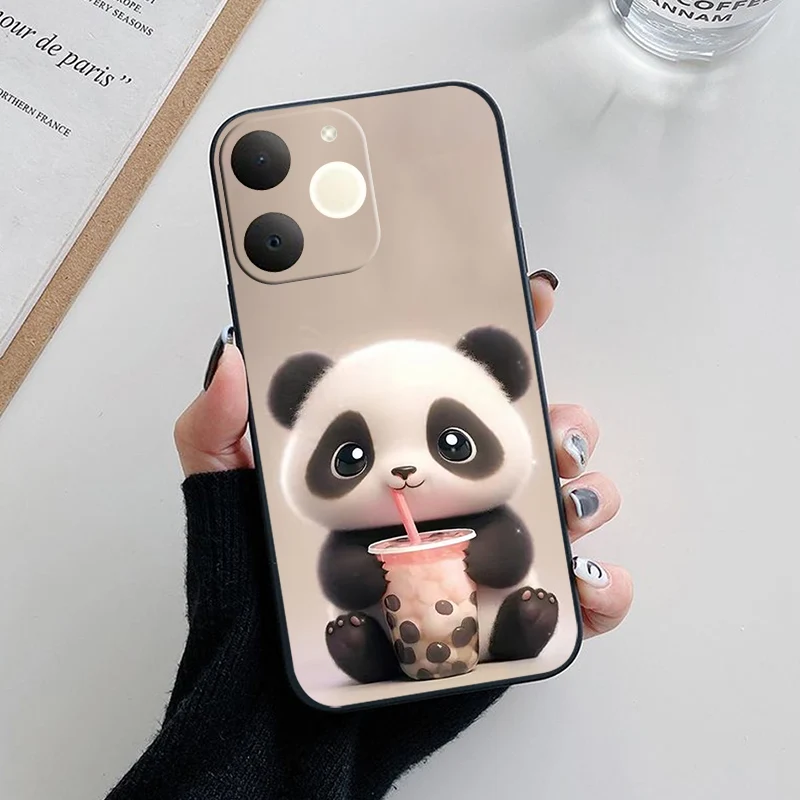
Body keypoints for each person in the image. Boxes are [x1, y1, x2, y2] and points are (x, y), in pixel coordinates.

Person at [106, 273, 633, 800]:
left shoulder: (495, 515)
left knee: (509, 594)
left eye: (450, 443)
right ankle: (371, 657)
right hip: (374, 657)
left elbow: (507, 561)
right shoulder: (339, 542)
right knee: (362, 637)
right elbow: (346, 582)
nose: (402, 470)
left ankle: (514, 630)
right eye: (354, 456)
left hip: (473, 630)